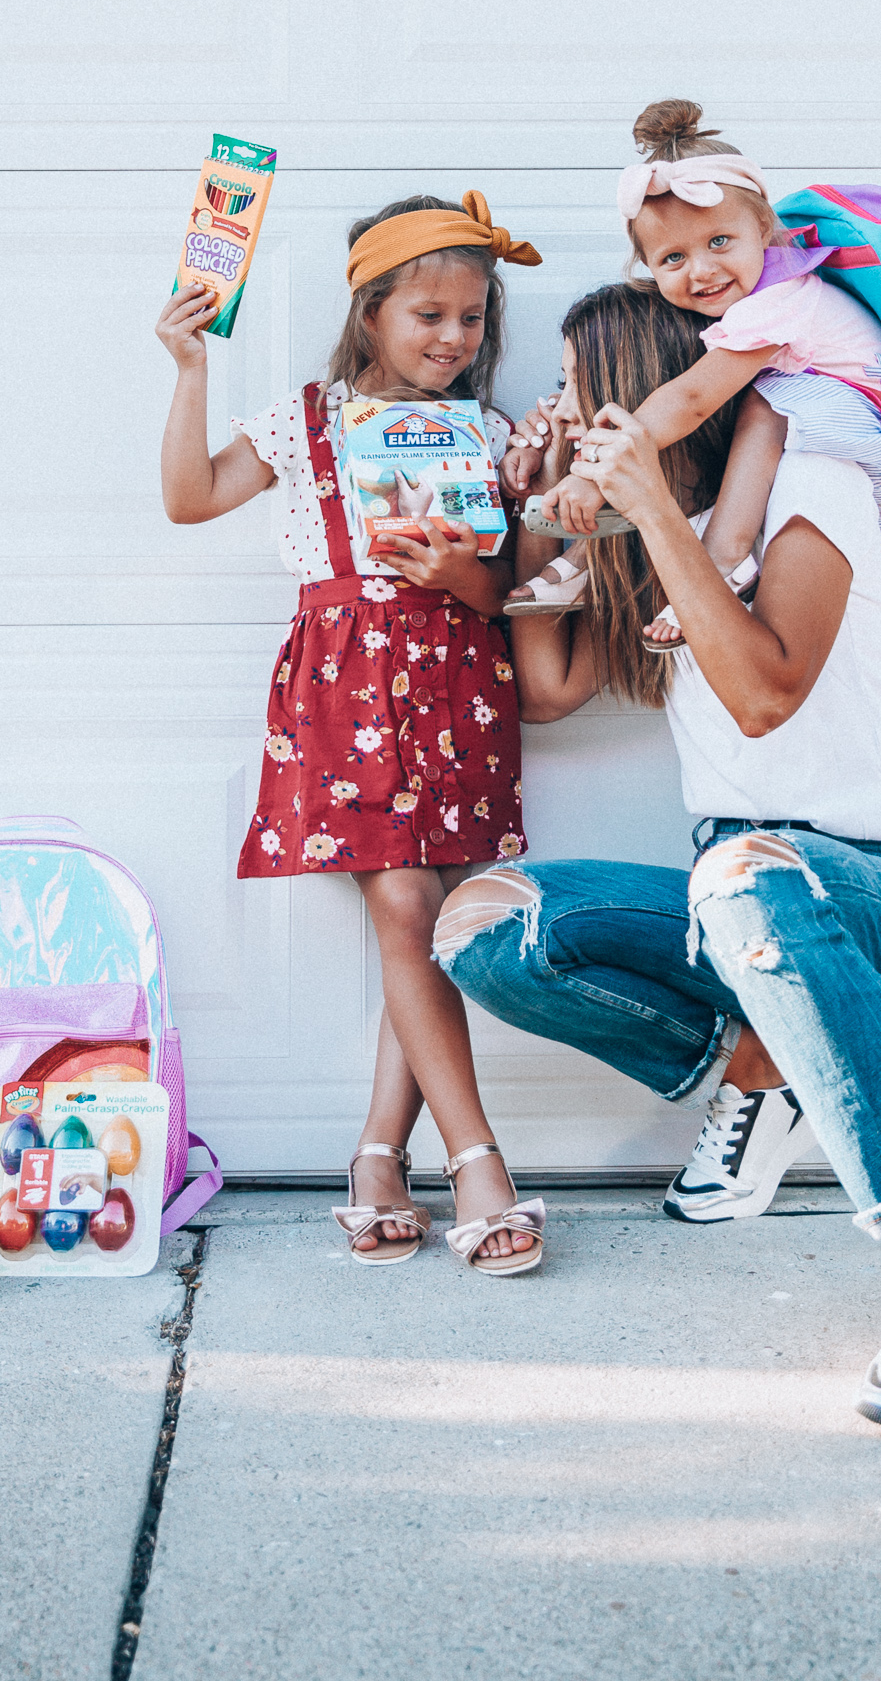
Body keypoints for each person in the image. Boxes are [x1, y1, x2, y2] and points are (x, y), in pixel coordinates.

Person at [434, 282, 881, 1432]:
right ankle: (758, 1064)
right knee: (482, 923)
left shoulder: (812, 490)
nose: (558, 405)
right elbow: (551, 692)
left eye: (576, 385)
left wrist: (654, 517)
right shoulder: (642, 546)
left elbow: (766, 693)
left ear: (642, 395)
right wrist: (539, 519)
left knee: (745, 873)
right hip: (741, 910)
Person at [156, 191, 546, 1276]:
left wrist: (461, 571)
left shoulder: (493, 430)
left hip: (461, 676)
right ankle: (477, 1162)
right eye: (427, 314)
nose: (452, 338)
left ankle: (377, 1158)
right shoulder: (307, 416)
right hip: (347, 682)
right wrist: (190, 367)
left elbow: (514, 583)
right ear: (370, 311)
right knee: (407, 908)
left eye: (471, 319)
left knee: (439, 927)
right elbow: (190, 498)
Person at [503, 100, 881, 648]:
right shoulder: (750, 297)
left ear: (762, 227)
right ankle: (589, 559)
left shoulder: (777, 302)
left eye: (719, 242)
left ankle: (725, 559)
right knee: (684, 417)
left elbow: (688, 400)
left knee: (759, 408)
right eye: (673, 259)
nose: (702, 271)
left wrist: (589, 472)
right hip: (854, 417)